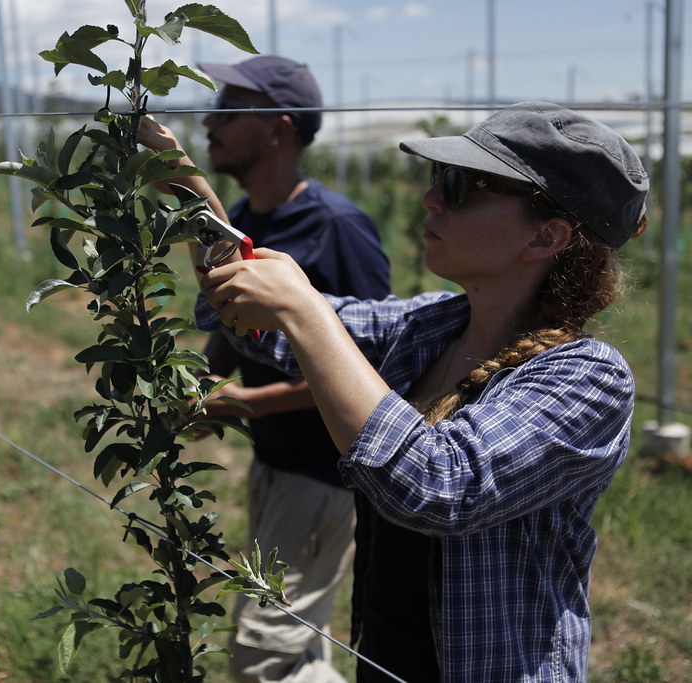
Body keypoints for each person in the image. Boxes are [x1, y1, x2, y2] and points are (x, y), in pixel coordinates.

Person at [188, 101, 648, 682]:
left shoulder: (587, 379)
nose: (431, 199)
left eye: (459, 187)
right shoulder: (432, 325)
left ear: (546, 236)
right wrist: (192, 193)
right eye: (437, 179)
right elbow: (256, 326)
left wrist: (304, 309)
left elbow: (436, 486)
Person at [143, 55, 390, 682]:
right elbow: (234, 329)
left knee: (260, 657)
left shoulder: (337, 227)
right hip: (276, 464)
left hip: (323, 475)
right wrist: (200, 387)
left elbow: (367, 374)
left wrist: (239, 406)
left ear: (278, 129)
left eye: (228, 110)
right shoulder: (249, 221)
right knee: (297, 644)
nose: (210, 122)